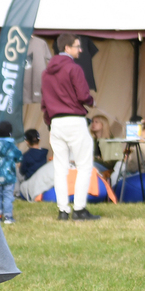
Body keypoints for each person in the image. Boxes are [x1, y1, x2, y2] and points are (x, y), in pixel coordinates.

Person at [41, 33, 99, 221]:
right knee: (83, 166)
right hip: (74, 120)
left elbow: (44, 103)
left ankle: (63, 210)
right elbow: (83, 96)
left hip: (56, 122)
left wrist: (50, 122)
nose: (80, 50)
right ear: (66, 48)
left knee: (60, 167)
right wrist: (92, 101)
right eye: (76, 46)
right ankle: (80, 209)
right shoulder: (74, 69)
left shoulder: (46, 73)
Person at [0, 120, 22, 224]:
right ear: (10, 133)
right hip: (9, 177)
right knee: (8, 196)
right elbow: (19, 157)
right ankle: (8, 216)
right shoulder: (11, 146)